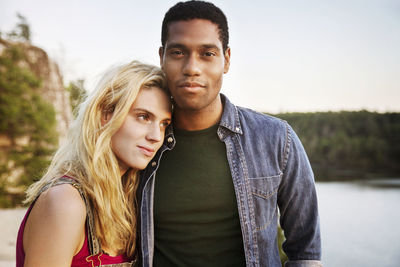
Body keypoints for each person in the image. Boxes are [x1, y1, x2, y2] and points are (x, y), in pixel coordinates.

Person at [137, 1, 322, 267]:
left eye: (207, 53)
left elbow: (306, 254)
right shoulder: (141, 141)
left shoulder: (278, 139)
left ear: (227, 59)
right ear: (161, 57)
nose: (192, 67)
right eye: (178, 52)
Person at [16, 61, 172, 267]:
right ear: (105, 114)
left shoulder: (131, 202)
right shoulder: (64, 201)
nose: (156, 136)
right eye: (143, 117)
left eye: (164, 124)